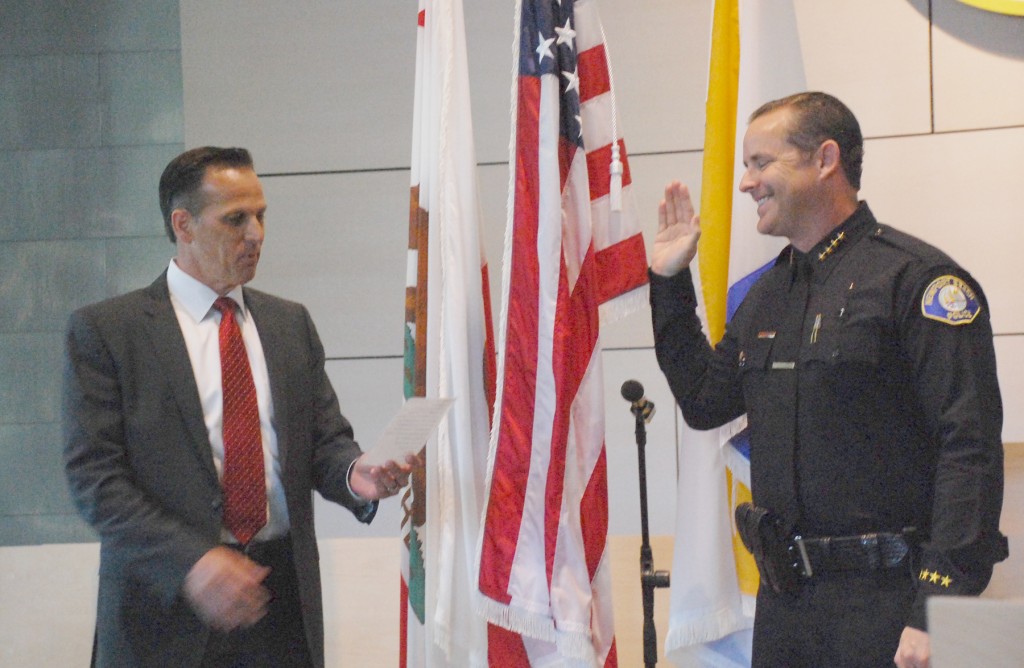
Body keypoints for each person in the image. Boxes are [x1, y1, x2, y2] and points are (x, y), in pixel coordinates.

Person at [649, 92, 1007, 668]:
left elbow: (967, 449)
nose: (746, 183)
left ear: (825, 159)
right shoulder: (768, 293)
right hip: (787, 609)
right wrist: (669, 283)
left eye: (762, 162)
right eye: (746, 164)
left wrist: (939, 605)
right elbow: (703, 402)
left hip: (890, 607)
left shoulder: (917, 281)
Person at [63, 146, 418, 667]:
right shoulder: (109, 332)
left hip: (280, 605)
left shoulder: (288, 324)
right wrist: (194, 563)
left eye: (261, 215)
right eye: (235, 219)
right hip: (164, 607)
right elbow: (95, 480)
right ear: (183, 225)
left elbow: (324, 440)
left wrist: (354, 475)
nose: (256, 234)